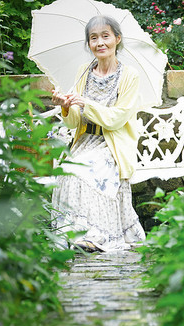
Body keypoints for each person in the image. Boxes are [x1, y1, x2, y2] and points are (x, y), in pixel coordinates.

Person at [51, 15, 145, 252]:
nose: (100, 42)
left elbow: (118, 119)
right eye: (94, 38)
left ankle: (96, 236)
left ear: (117, 39)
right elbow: (74, 122)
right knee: (68, 167)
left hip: (112, 144)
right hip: (84, 141)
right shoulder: (84, 71)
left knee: (84, 168)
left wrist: (86, 104)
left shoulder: (129, 75)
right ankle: (73, 234)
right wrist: (66, 106)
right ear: (89, 44)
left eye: (105, 36)